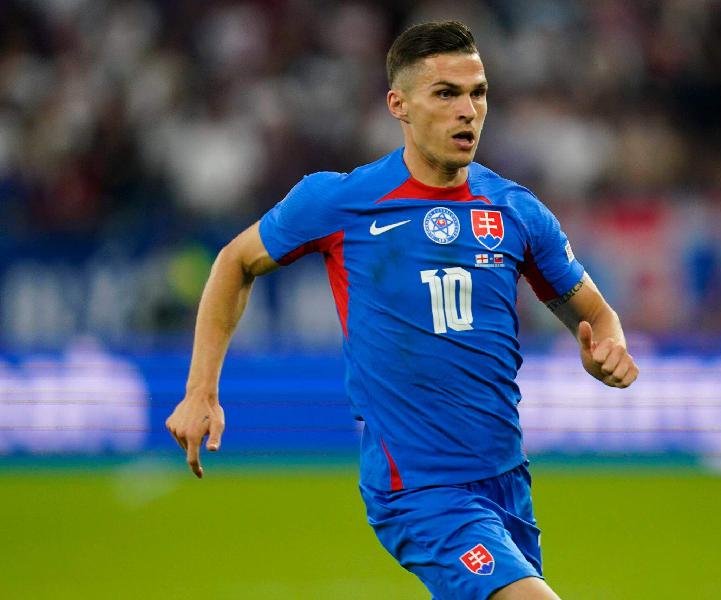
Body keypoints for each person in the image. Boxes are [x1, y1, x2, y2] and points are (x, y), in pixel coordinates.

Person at [165, 20, 638, 600]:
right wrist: (201, 391)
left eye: (478, 93)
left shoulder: (516, 211)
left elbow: (596, 314)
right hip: (418, 489)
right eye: (446, 93)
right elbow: (235, 262)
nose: (468, 111)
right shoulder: (342, 201)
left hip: (505, 479)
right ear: (400, 105)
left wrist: (606, 348)